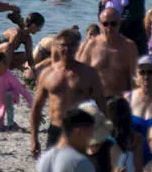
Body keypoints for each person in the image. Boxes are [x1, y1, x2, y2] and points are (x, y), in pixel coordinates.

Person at [30, 27, 101, 157]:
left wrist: (101, 135)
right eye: (63, 45)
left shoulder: (88, 74)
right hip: (55, 130)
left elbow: (102, 106)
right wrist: (34, 138)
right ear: (56, 46)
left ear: (77, 47)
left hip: (80, 132)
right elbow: (37, 107)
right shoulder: (47, 74)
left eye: (71, 45)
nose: (67, 49)